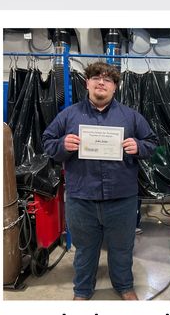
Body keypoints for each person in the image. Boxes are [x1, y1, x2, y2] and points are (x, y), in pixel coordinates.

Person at [42, 62, 157, 300]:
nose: (101, 82)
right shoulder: (69, 115)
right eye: (96, 77)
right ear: (87, 83)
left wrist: (139, 146)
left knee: (122, 249)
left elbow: (152, 143)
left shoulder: (131, 116)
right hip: (81, 198)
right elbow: (47, 142)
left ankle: (124, 286)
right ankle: (82, 291)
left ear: (115, 87)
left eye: (108, 79)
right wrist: (62, 145)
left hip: (122, 198)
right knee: (84, 250)